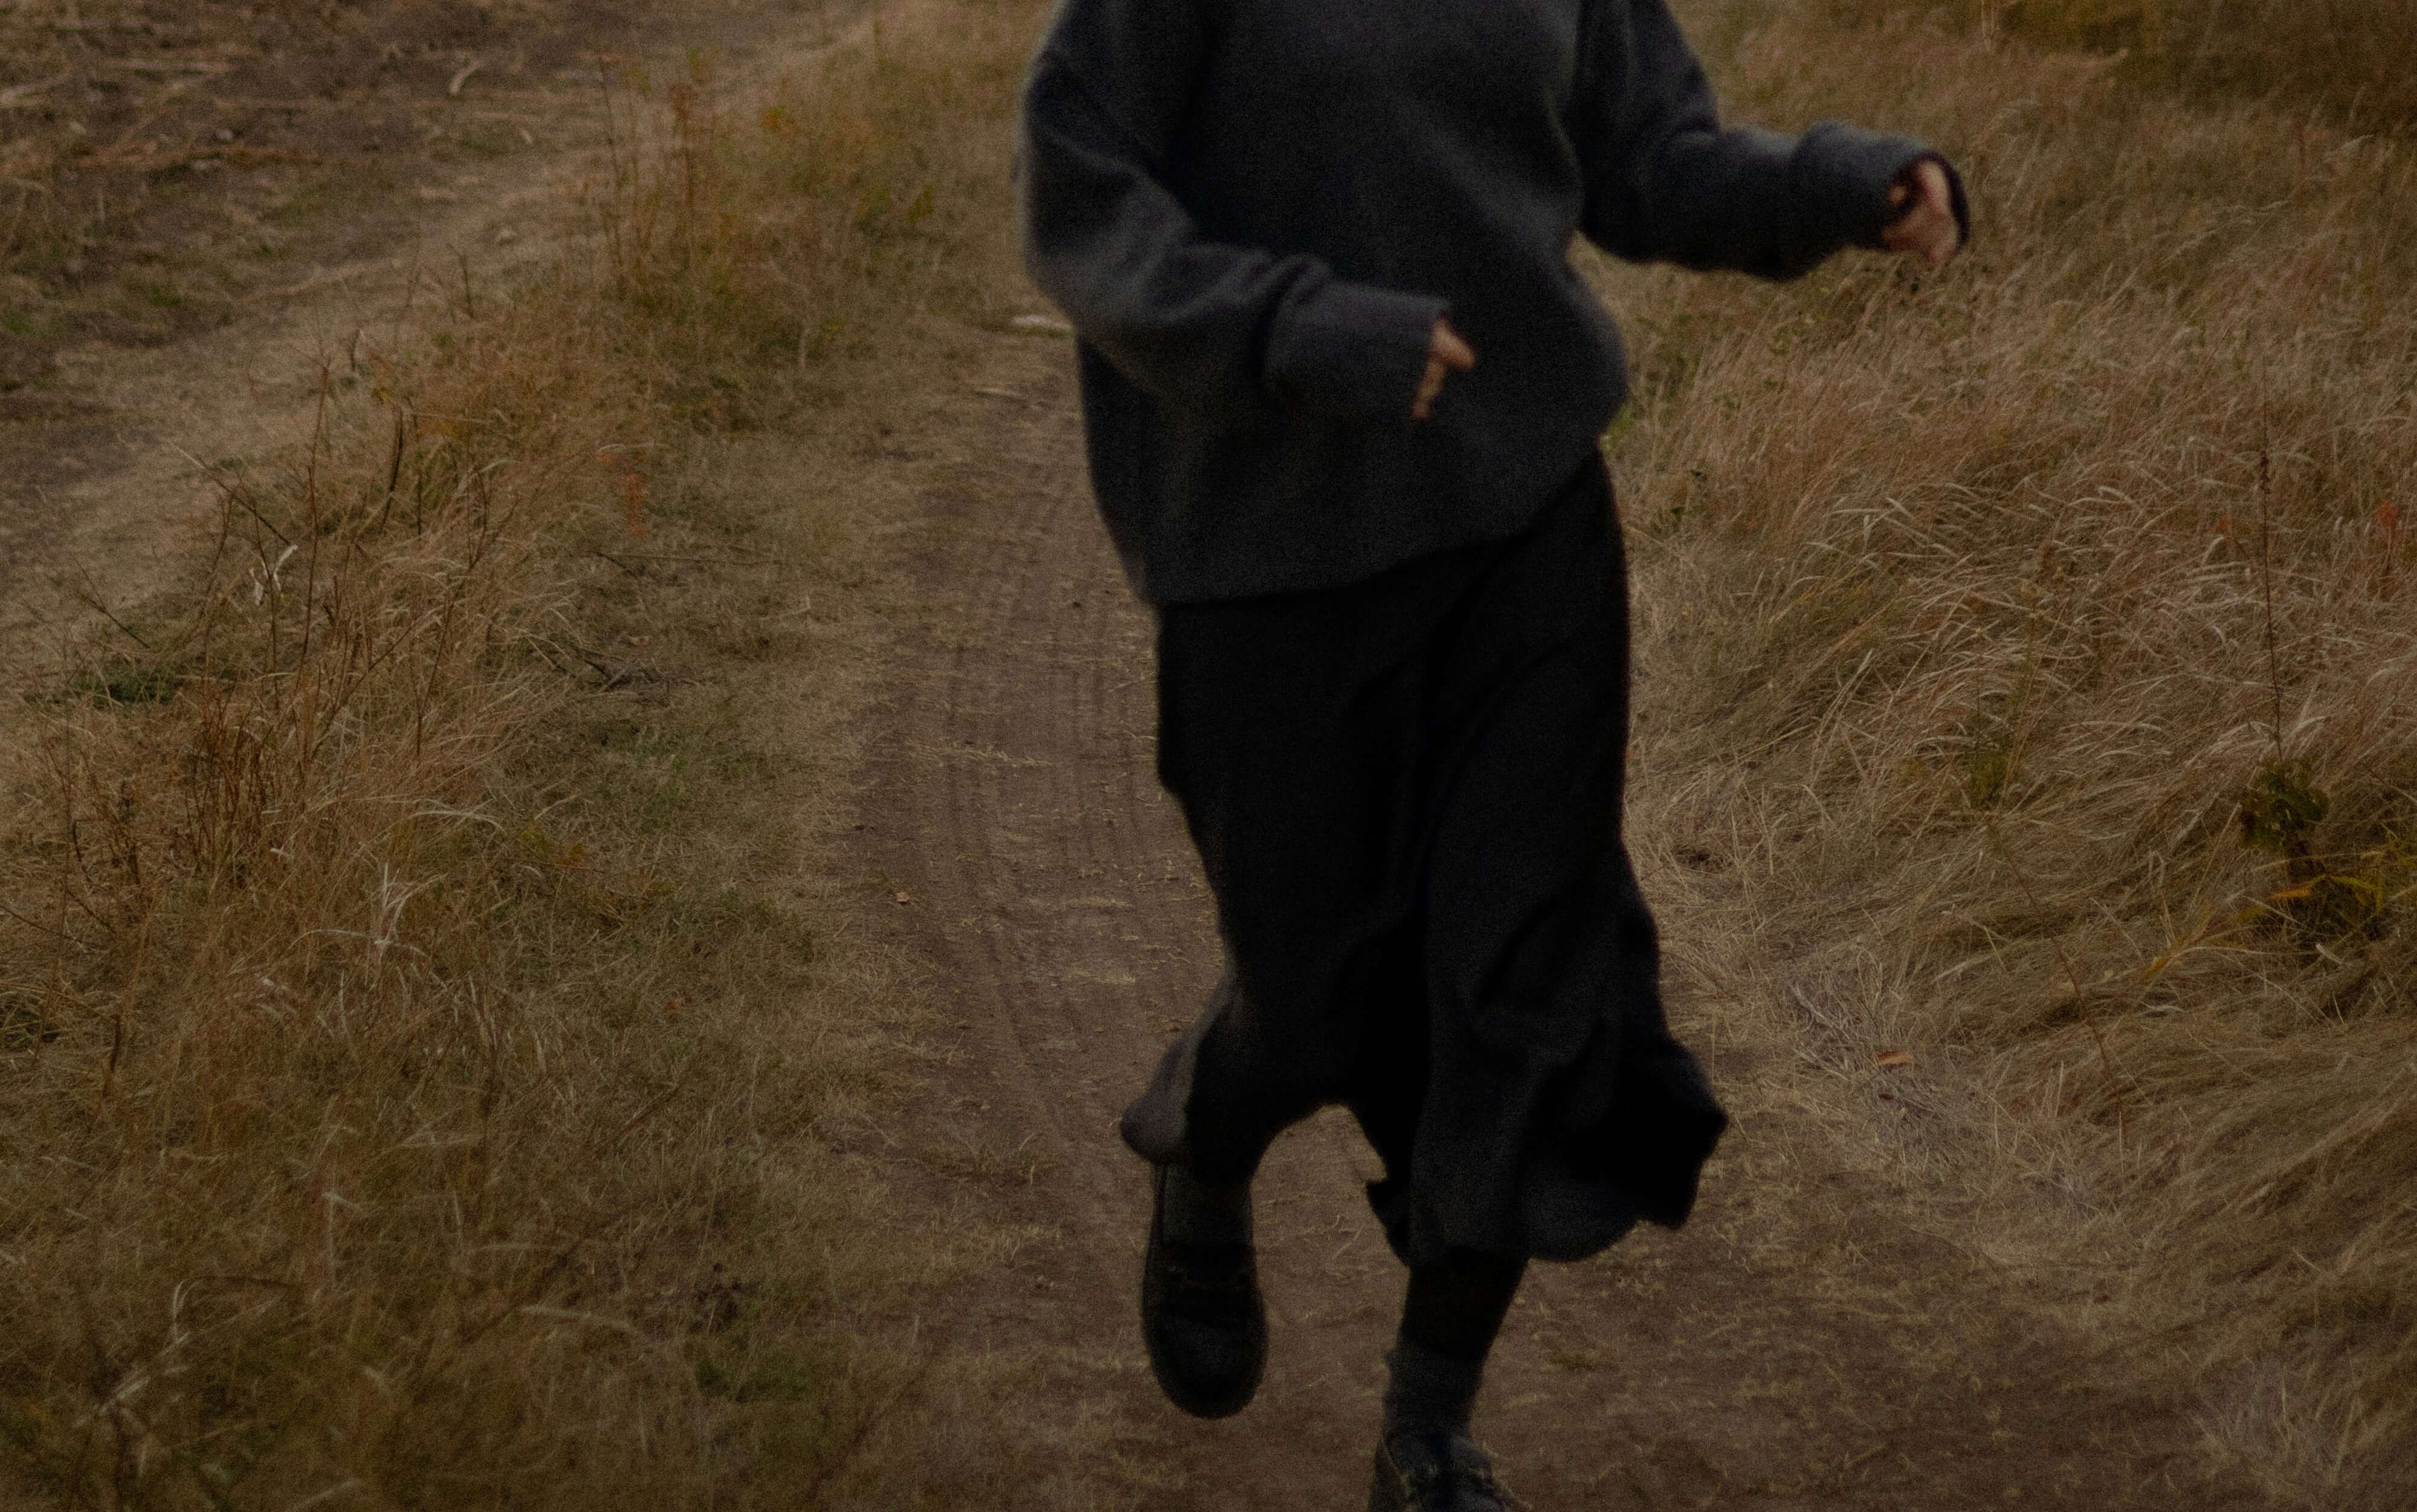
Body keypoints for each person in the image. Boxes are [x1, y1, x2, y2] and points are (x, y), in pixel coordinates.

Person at [1015, 0, 1967, 1503]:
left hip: (1519, 519)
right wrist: (1285, 327)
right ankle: (1210, 1120)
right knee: (1323, 991)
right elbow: (1080, 191)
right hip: (1263, 549)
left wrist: (1838, 184)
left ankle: (1427, 1434)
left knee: (1529, 975)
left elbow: (1646, 155)